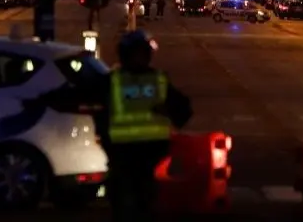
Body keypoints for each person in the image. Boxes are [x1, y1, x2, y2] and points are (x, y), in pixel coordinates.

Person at [26, 30, 192, 221]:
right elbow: (184, 111)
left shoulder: (116, 81)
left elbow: (78, 94)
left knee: (128, 200)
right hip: (145, 155)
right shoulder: (156, 80)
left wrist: (42, 100)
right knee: (141, 201)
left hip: (126, 154)